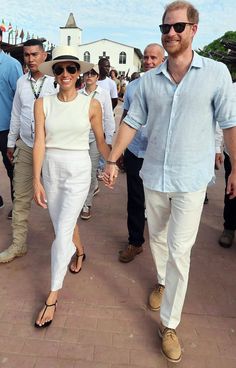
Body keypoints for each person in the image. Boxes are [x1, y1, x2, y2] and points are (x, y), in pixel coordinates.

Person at [103, 0, 236, 363]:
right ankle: (161, 280)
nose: (171, 33)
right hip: (153, 176)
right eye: (165, 28)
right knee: (158, 237)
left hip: (192, 179)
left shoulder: (216, 74)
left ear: (194, 29)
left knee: (180, 250)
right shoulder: (148, 81)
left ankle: (170, 323)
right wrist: (113, 159)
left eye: (178, 27)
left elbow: (229, 124)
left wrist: (235, 168)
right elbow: (132, 122)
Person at [33, 46, 112, 327]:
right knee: (62, 225)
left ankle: (52, 296)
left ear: (79, 72)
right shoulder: (43, 103)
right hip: (52, 171)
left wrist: (112, 161)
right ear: (53, 74)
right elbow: (40, 141)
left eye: (70, 68)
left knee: (62, 232)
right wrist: (36, 179)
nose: (65, 74)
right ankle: (80, 252)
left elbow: (101, 140)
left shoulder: (91, 104)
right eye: (59, 69)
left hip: (79, 171)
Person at [0, 39, 56, 264]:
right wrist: (11, 143)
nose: (30, 59)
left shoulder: (56, 81)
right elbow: (15, 114)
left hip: (52, 148)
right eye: (26, 55)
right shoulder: (22, 82)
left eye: (35, 54)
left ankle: (64, 244)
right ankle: (18, 244)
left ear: (44, 56)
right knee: (20, 197)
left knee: (57, 199)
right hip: (25, 145)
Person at [119, 43, 164, 263]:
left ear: (162, 60)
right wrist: (119, 149)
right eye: (145, 57)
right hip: (135, 151)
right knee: (135, 200)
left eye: (154, 58)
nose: (148, 61)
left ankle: (162, 250)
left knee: (160, 203)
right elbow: (126, 117)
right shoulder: (133, 87)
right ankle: (135, 242)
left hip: (159, 154)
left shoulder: (170, 86)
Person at [79, 65, 115, 220]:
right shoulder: (78, 93)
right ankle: (90, 189)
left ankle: (86, 204)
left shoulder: (103, 94)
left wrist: (109, 141)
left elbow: (108, 117)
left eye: (93, 74)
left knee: (91, 169)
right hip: (79, 137)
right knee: (79, 170)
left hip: (96, 136)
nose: (89, 76)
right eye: (87, 73)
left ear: (98, 76)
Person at [0, 29, 23, 218]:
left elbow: (19, 99)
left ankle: (17, 206)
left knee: (12, 169)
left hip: (6, 128)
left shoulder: (11, 65)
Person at [217, 84, 236, 248]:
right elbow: (222, 121)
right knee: (232, 192)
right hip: (234, 153)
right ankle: (229, 228)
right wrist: (217, 147)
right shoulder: (232, 90)